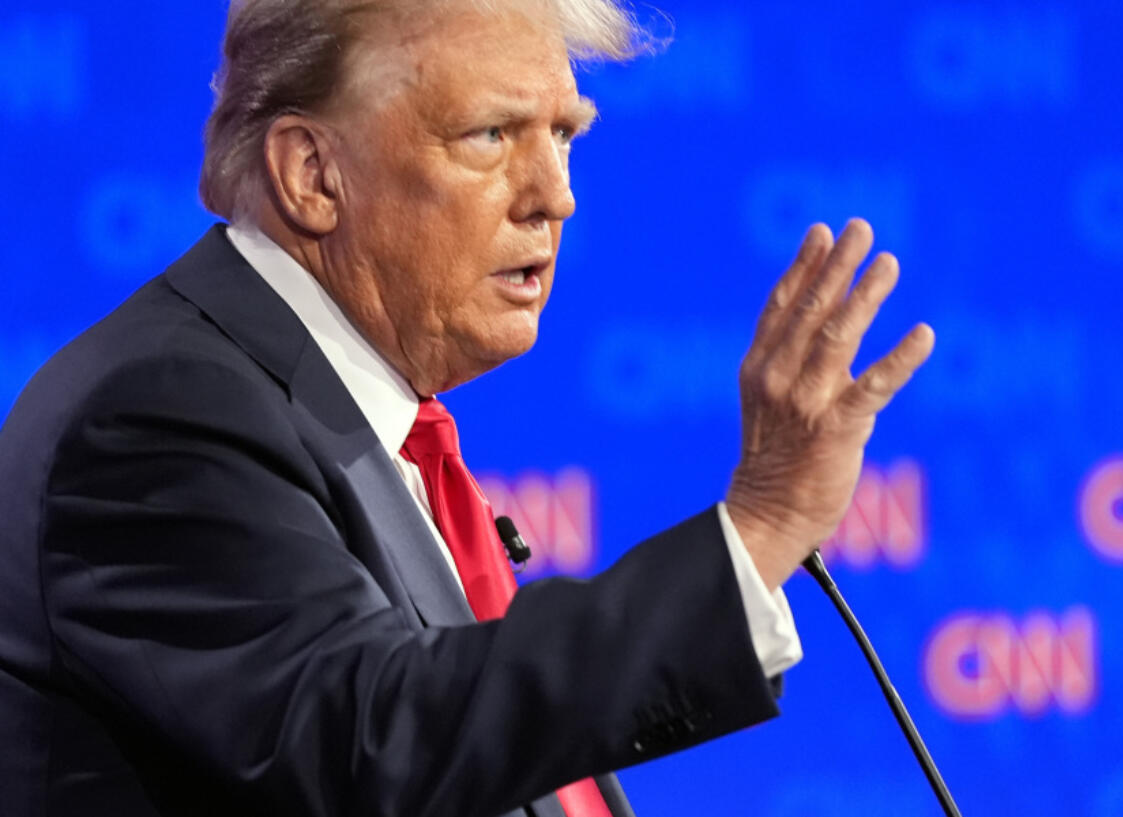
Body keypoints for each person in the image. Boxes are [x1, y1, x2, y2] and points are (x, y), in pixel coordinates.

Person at [0, 1, 935, 816]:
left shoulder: (358, 418)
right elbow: (373, 746)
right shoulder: (159, 416)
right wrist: (761, 526)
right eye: (490, 135)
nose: (556, 196)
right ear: (312, 175)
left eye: (564, 135)